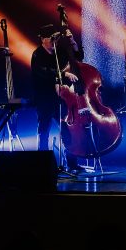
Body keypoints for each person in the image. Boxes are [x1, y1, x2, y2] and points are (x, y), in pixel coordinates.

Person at [30, 23, 83, 173]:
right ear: (43, 40)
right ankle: (43, 164)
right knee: (44, 130)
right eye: (51, 39)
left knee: (67, 129)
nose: (54, 42)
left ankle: (72, 164)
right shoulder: (37, 54)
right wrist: (63, 74)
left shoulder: (59, 52)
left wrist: (72, 42)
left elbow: (78, 58)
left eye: (56, 40)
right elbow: (42, 72)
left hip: (61, 98)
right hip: (44, 98)